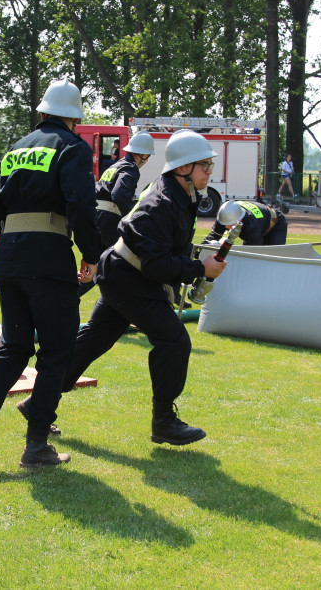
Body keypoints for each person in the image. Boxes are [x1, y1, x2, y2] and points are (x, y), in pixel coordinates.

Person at [0, 78, 100, 469]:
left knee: (14, 346)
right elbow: (82, 208)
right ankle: (36, 447)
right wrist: (91, 253)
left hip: (10, 261)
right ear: (75, 119)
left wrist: (16, 234)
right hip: (50, 261)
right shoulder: (73, 148)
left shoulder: (17, 148)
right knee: (56, 350)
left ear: (42, 112)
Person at [58, 130, 227, 446]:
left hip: (122, 273)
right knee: (175, 340)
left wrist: (193, 262)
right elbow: (156, 264)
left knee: (92, 341)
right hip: (129, 277)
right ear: (182, 168)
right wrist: (199, 269)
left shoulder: (179, 194)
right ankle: (164, 422)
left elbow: (165, 249)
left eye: (209, 165)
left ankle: (41, 401)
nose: (209, 171)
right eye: (204, 165)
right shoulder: (162, 202)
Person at [79, 131, 155, 297]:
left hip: (98, 218)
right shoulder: (130, 169)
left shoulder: (116, 166)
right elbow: (119, 195)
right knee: (119, 263)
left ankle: (72, 295)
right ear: (142, 154)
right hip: (109, 222)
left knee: (99, 263)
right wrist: (135, 215)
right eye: (148, 156)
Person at [201, 200, 288, 246]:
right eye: (224, 224)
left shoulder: (252, 226)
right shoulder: (225, 216)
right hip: (260, 222)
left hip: (275, 226)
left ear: (239, 220)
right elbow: (213, 236)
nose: (226, 227)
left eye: (229, 224)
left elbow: (253, 254)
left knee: (271, 258)